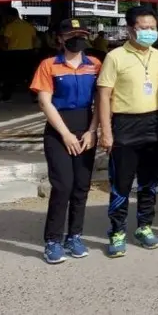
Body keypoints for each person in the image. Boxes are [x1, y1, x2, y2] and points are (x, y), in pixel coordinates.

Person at [98, 5, 158, 258]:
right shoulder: (115, 57)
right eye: (143, 27)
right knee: (121, 183)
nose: (149, 31)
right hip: (124, 126)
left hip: (155, 124)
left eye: (153, 27)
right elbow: (104, 95)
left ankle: (144, 227)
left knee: (150, 182)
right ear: (130, 29)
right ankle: (117, 232)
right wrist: (106, 131)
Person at [29, 19, 100, 264]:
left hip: (87, 127)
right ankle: (53, 240)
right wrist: (66, 134)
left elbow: (101, 100)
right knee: (63, 186)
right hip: (58, 130)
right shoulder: (49, 65)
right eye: (71, 35)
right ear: (60, 39)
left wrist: (92, 130)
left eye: (81, 35)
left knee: (81, 186)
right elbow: (44, 102)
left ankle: (75, 236)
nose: (77, 39)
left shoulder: (95, 64)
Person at [0, 7, 38, 103]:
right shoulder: (29, 26)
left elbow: (6, 41)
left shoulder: (10, 26)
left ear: (10, 16)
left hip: (13, 53)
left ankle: (6, 97)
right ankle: (35, 96)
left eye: (7, 17)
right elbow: (34, 40)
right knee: (30, 75)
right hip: (28, 53)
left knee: (10, 75)